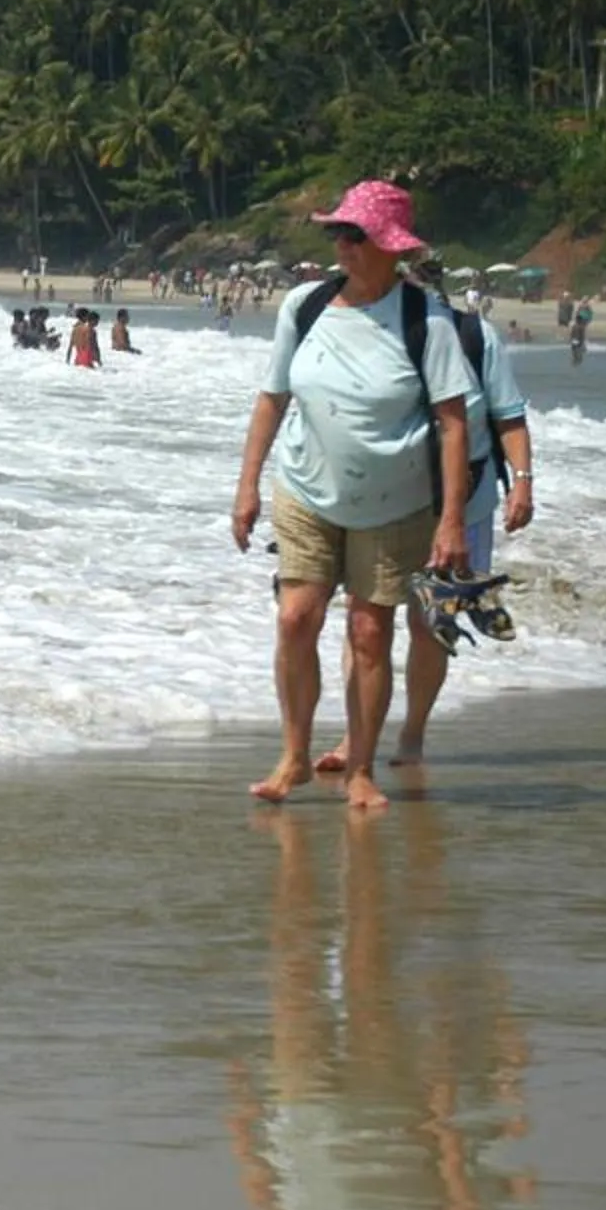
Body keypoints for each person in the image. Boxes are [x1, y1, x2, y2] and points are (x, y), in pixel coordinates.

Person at [232, 181, 475, 812]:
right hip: (306, 490)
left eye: (355, 235)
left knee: (369, 633)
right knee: (295, 619)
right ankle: (293, 757)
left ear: (391, 248)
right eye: (337, 233)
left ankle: (362, 769)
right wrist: (247, 486)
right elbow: (272, 397)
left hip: (395, 505)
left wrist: (452, 522)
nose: (342, 246)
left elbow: (454, 423)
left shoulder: (427, 322)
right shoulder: (304, 307)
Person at [318, 258, 534, 772]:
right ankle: (356, 738)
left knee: (429, 622)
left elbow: (509, 416)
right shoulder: (369, 332)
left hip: (465, 501)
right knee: (366, 619)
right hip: (383, 498)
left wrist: (522, 483)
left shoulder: (472, 335)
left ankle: (412, 734)